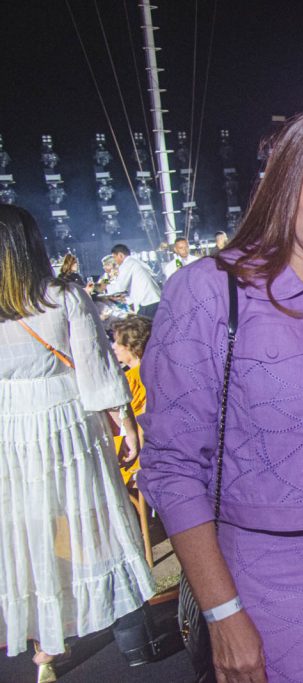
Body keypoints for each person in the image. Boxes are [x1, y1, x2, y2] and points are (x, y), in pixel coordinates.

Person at [138, 100, 303, 683]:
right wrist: (223, 612)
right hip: (266, 592)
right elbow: (172, 466)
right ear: (285, 179)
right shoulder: (212, 293)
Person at [0, 204, 161, 680]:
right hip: (67, 422)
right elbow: (96, 369)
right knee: (97, 521)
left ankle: (46, 645)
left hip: (11, 429)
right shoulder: (62, 296)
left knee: (30, 532)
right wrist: (125, 421)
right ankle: (133, 643)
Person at [110, 315, 153, 486]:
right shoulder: (158, 371)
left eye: (118, 343)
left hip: (137, 448)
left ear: (132, 348)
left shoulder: (130, 380)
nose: (114, 347)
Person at [106, 244, 162, 318]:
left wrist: (105, 287)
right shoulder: (137, 262)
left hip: (147, 303)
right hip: (155, 300)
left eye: (114, 257)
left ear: (120, 255)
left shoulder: (127, 264)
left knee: (145, 327)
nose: (115, 261)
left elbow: (120, 287)